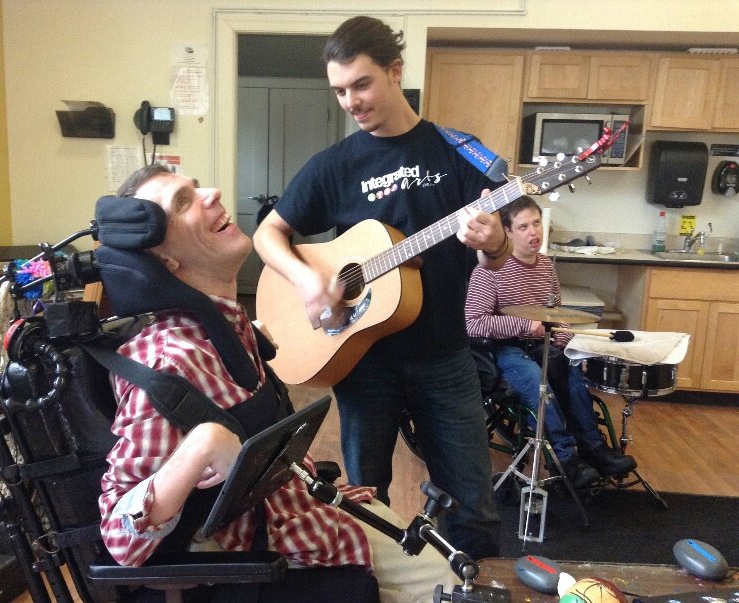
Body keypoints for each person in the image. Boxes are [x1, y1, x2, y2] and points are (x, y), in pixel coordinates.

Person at [98, 164, 460, 603]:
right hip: (276, 557)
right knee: (450, 591)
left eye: (195, 186)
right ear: (166, 261)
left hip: (308, 507)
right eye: (182, 203)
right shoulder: (169, 361)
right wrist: (202, 445)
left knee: (450, 577)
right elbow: (120, 541)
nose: (211, 193)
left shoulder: (229, 328)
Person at [253, 16, 508, 559]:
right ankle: (382, 584)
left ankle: (472, 586)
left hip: (444, 355)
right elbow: (268, 233)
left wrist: (493, 241)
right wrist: (309, 279)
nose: (351, 101)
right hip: (360, 356)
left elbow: (500, 250)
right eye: (340, 90)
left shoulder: (459, 152)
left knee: (474, 501)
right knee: (367, 495)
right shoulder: (334, 166)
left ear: (395, 72)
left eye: (361, 84)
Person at [464, 196, 636, 489]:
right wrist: (525, 326)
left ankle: (594, 449)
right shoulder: (487, 271)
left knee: (572, 369)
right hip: (503, 348)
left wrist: (565, 337)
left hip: (541, 342)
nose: (533, 232)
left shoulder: (545, 265)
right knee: (534, 379)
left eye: (536, 223)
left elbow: (557, 313)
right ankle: (566, 459)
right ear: (506, 232)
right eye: (523, 227)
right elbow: (473, 323)